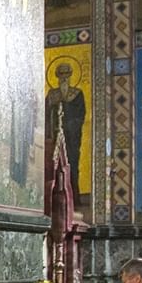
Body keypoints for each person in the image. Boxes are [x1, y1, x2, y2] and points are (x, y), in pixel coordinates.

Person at [46, 62, 87, 206]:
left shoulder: (77, 94)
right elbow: (46, 116)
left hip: (71, 138)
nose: (64, 78)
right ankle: (52, 201)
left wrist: (69, 126)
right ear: (57, 77)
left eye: (66, 75)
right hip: (55, 136)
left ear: (70, 76)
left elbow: (80, 116)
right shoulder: (52, 95)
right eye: (61, 75)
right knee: (52, 167)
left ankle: (74, 199)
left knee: (72, 165)